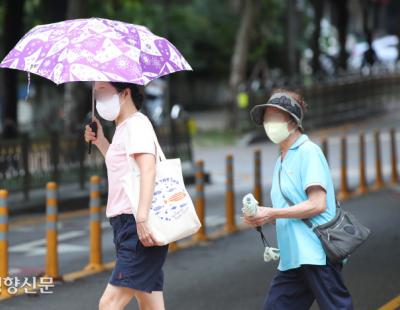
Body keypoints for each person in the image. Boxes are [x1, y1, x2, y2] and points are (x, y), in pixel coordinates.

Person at [244, 89, 353, 310]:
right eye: (267, 118)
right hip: (293, 257)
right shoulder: (282, 159)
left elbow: (317, 204)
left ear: (292, 121)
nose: (268, 123)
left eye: (275, 117)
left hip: (316, 253)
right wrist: (263, 216)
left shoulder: (308, 152)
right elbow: (289, 210)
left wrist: (272, 213)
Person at [84, 81, 168, 310]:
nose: (99, 99)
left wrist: (141, 218)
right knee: (150, 304)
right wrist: (100, 141)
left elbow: (148, 168)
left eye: (103, 91)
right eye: (96, 94)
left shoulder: (136, 125)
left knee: (109, 304)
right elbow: (122, 167)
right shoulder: (124, 127)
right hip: (126, 225)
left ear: (125, 93)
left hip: (136, 225)